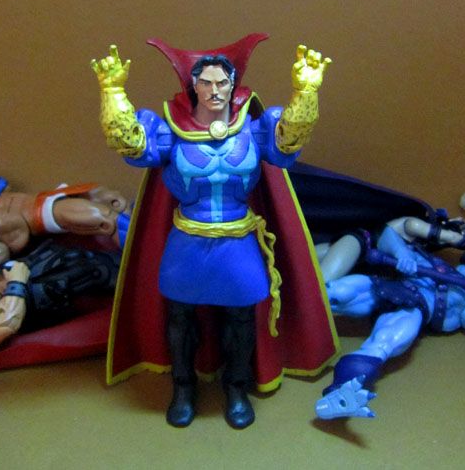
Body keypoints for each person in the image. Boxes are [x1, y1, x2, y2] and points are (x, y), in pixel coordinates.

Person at [91, 34, 338, 429]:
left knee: (241, 318)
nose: (214, 90)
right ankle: (183, 386)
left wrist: (305, 92)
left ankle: (236, 387)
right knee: (180, 317)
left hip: (238, 240)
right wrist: (113, 91)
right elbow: (133, 144)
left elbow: (288, 138)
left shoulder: (252, 128)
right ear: (194, 87)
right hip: (188, 240)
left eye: (222, 82)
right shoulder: (173, 130)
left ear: (233, 85)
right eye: (205, 82)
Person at [314, 217, 465, 420]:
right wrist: (402, 255)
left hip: (416, 309)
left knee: (384, 343)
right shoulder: (433, 262)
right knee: (335, 292)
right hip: (395, 288)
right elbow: (387, 235)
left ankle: (340, 392)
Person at [0, 170, 130, 275]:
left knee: (114, 201)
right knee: (107, 221)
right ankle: (137, 255)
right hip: (46, 214)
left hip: (54, 195)